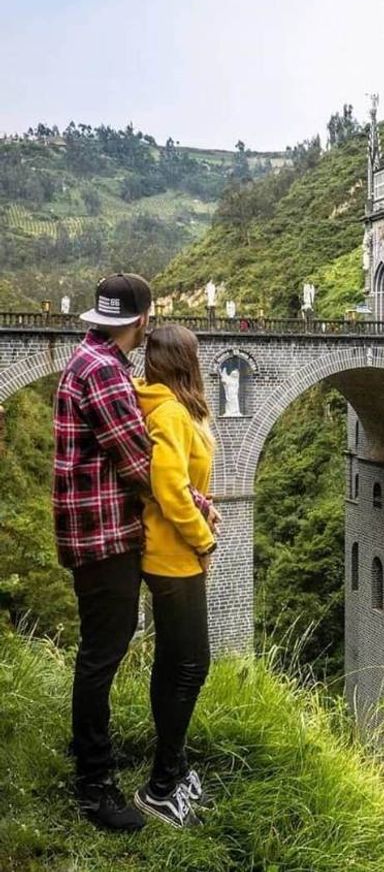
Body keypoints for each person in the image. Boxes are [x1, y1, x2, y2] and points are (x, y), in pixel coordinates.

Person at [53, 273, 217, 833]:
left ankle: (104, 763)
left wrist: (192, 499)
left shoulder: (100, 364)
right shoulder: (103, 372)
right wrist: (200, 522)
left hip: (107, 533)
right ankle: (95, 787)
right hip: (102, 536)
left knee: (107, 652)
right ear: (143, 321)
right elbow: (143, 465)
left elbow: (152, 465)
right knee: (102, 655)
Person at [132, 324, 218, 828]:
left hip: (174, 551)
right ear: (187, 361)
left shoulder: (166, 406)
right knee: (190, 666)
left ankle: (175, 767)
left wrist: (204, 509)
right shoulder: (168, 411)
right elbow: (167, 488)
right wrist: (202, 538)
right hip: (173, 557)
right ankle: (161, 786)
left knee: (173, 664)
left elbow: (181, 483)